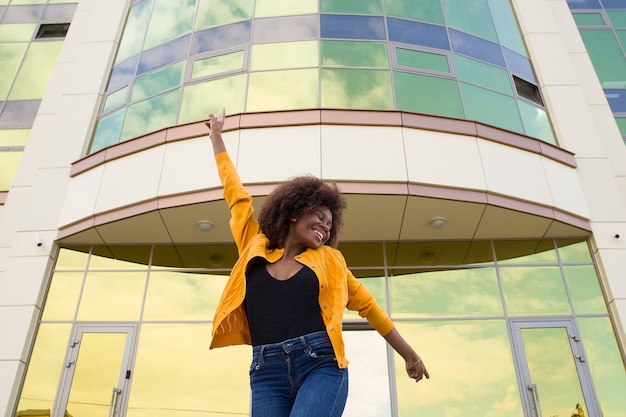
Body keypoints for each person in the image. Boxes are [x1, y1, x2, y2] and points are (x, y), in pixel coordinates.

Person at [206, 108, 429, 417]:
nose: (325, 227)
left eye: (329, 224)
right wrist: (216, 138)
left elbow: (370, 308)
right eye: (320, 217)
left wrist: (410, 355)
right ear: (295, 211)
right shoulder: (253, 244)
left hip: (321, 364)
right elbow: (236, 196)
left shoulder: (331, 262)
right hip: (265, 370)